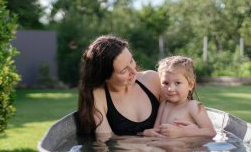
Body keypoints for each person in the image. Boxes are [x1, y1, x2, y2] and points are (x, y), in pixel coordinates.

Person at [77, 35, 208, 139]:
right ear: (105, 77)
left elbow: (184, 113)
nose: (134, 72)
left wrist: (188, 131)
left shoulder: (153, 80)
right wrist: (143, 136)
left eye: (131, 61)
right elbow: (104, 142)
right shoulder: (98, 95)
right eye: (123, 71)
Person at [143, 56, 216, 138]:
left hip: (184, 148)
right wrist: (147, 132)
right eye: (166, 83)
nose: (170, 89)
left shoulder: (193, 106)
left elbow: (211, 132)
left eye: (177, 83)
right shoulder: (164, 105)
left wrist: (182, 132)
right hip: (164, 146)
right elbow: (156, 130)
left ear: (190, 85)